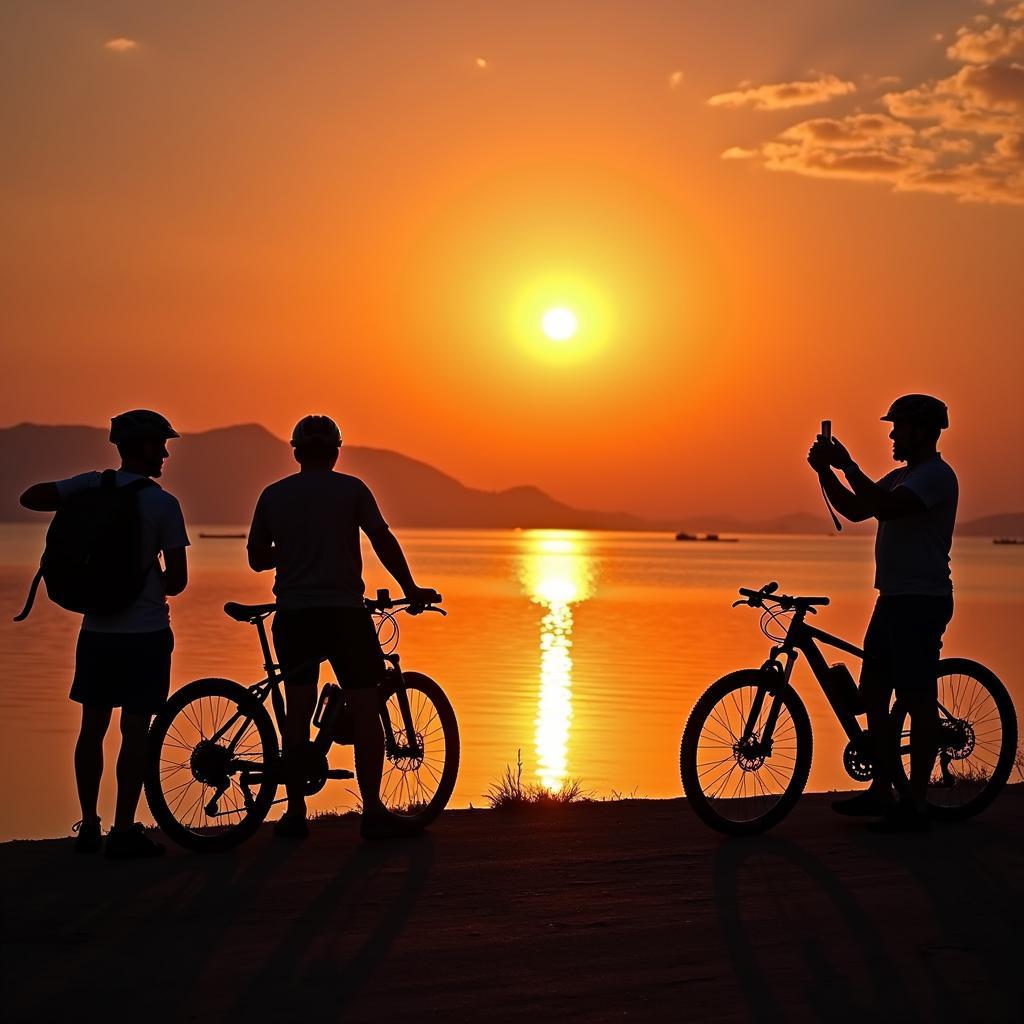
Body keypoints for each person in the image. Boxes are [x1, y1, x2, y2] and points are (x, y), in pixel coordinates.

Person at [246, 414, 439, 841]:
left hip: (295, 616)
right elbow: (382, 539)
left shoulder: (273, 495)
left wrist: (293, 551)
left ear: (296, 452)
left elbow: (257, 558)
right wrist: (411, 587)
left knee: (296, 710)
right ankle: (372, 811)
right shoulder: (351, 490)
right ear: (335, 451)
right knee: (366, 708)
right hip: (345, 616)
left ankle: (295, 814)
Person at [19, 410, 189, 857]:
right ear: (146, 447)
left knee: (91, 727)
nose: (166, 453)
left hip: (96, 630)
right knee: (135, 729)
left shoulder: (90, 484)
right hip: (146, 633)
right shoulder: (163, 504)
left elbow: (30, 498)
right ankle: (124, 829)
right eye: (161, 445)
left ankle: (90, 823)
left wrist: (79, 506)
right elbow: (179, 581)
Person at [808, 394, 957, 832]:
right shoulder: (900, 476)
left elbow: (886, 507)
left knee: (915, 697)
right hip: (892, 598)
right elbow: (858, 509)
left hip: (922, 600)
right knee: (874, 691)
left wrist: (847, 463)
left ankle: (917, 801)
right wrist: (826, 472)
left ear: (923, 432)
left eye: (899, 427)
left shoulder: (935, 477)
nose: (892, 434)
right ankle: (882, 789)